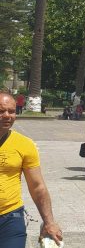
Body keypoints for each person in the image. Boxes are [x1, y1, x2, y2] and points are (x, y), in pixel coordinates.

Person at [0, 93, 63, 246]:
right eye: (1, 111)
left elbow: (37, 186)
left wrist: (49, 222)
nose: (7, 115)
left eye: (12, 111)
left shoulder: (24, 144)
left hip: (10, 218)